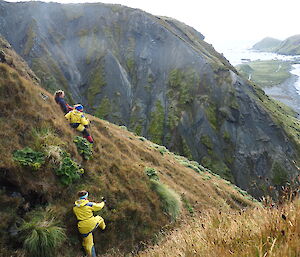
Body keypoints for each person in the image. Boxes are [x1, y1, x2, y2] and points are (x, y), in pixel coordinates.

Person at [73, 190, 106, 257]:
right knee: (99, 218)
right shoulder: (89, 204)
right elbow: (99, 207)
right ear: (86, 197)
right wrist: (103, 202)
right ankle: (104, 228)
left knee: (88, 244)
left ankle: (89, 255)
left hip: (82, 227)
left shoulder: (75, 207)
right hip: (91, 222)